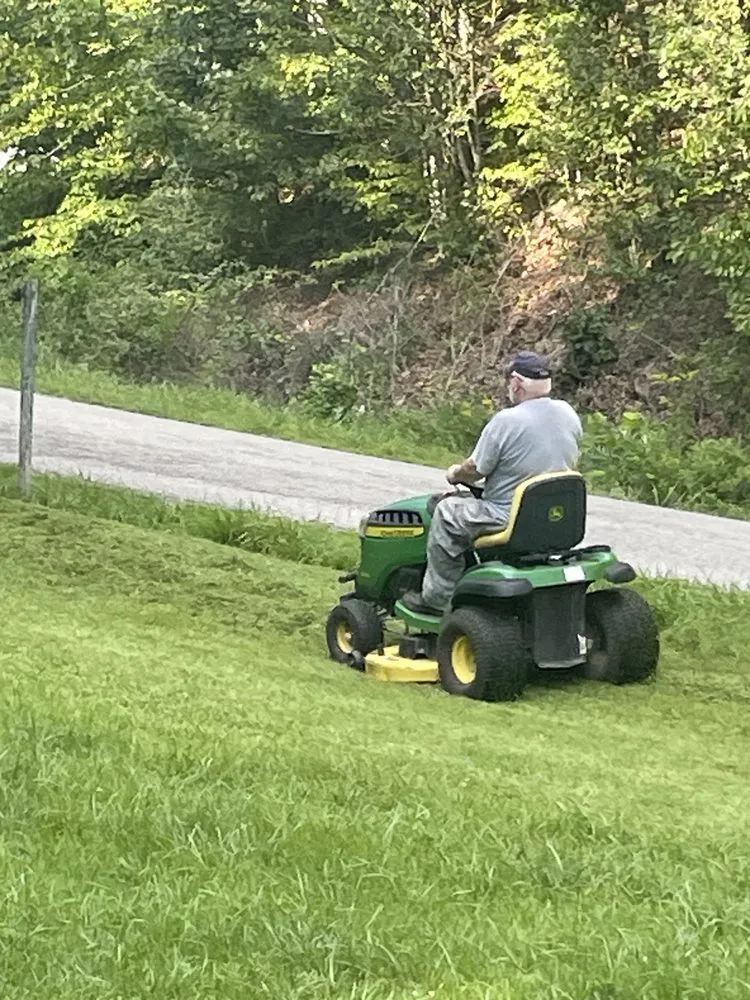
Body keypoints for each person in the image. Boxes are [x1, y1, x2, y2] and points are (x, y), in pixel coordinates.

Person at [401, 350, 583, 616]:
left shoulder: (507, 421)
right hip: (552, 518)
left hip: (507, 515)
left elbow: (475, 469)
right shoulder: (568, 414)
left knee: (447, 512)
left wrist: (454, 474)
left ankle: (436, 598)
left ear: (516, 383)